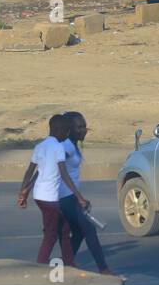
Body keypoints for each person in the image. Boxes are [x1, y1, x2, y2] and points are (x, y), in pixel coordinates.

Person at [16, 115, 87, 267]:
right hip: (50, 198)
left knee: (64, 229)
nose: (67, 135)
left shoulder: (40, 146)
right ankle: (40, 264)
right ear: (59, 130)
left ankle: (69, 262)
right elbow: (64, 173)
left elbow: (31, 171)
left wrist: (23, 191)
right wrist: (79, 196)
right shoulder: (58, 148)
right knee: (51, 234)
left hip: (39, 196)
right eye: (66, 132)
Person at [57, 111, 114, 275]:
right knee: (88, 230)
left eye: (84, 126)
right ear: (69, 129)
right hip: (66, 197)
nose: (84, 130)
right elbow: (54, 167)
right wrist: (79, 197)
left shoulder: (72, 144)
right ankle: (103, 269)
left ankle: (66, 264)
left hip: (70, 195)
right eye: (79, 127)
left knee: (79, 232)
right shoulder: (66, 146)